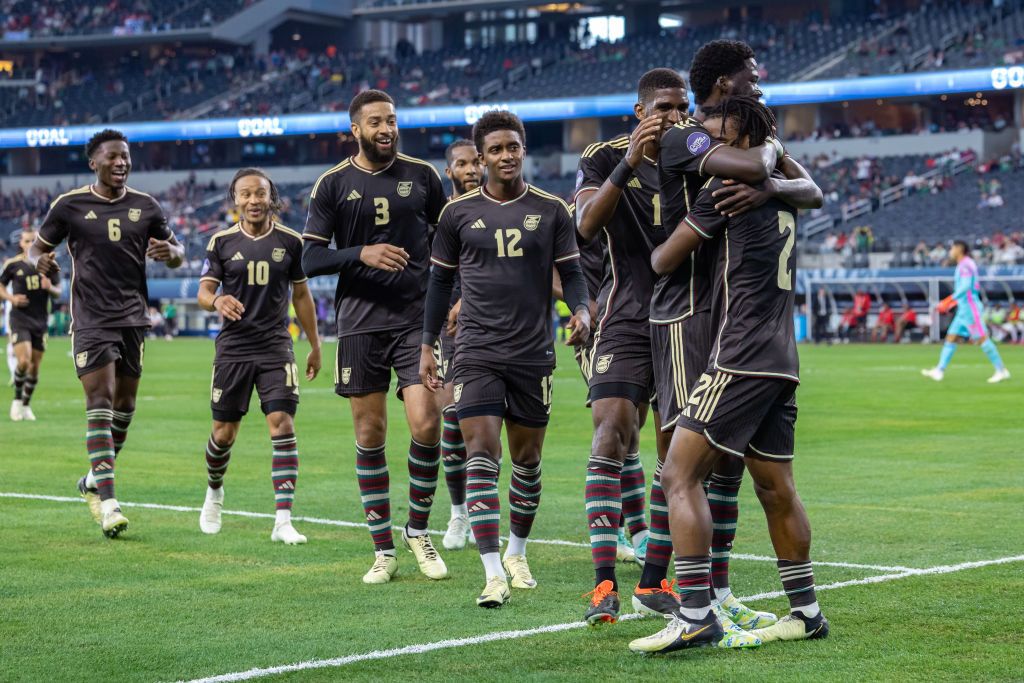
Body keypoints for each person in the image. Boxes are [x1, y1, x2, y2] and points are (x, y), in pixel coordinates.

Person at [632, 96, 829, 654]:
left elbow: (662, 260)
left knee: (677, 475)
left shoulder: (728, 191)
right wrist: (773, 173)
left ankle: (694, 613)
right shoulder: (783, 192)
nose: (702, 131)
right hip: (782, 360)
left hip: (739, 356)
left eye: (714, 123)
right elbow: (811, 190)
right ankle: (806, 612)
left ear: (741, 133)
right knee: (775, 487)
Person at [419, 111, 592, 608]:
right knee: (481, 452)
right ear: (481, 157)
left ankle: (518, 550)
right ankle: (492, 571)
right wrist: (427, 343)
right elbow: (436, 285)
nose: (506, 156)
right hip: (475, 351)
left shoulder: (552, 209)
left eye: (512, 147)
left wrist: (579, 308)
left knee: (528, 460)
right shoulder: (456, 215)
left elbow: (573, 273)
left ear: (523, 149)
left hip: (533, 352)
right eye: (495, 150)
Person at [301, 89, 449, 583]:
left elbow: (451, 241)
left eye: (391, 120)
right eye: (375, 122)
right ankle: (383, 549)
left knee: (427, 424)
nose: (386, 129)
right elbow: (309, 259)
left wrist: (455, 298)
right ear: (355, 131)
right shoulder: (333, 185)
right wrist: (359, 253)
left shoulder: (423, 176)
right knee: (370, 434)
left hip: (416, 321)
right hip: (361, 323)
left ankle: (418, 531)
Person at [574, 68, 689, 624]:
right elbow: (586, 227)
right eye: (664, 107)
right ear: (639, 111)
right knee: (610, 437)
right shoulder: (602, 155)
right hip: (624, 318)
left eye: (682, 107)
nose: (675, 116)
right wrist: (631, 164)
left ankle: (652, 579)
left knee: (675, 458)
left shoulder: (697, 154)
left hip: (684, 324)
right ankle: (602, 586)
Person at [29, 128, 185, 538]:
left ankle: (92, 481)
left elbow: (179, 253)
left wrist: (172, 254)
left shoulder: (146, 206)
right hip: (91, 318)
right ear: (93, 163)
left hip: (134, 317)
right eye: (113, 157)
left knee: (125, 408)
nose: (121, 163)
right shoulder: (69, 206)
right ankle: (110, 502)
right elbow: (36, 248)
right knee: (99, 400)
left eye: (126, 157)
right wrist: (40, 262)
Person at [196, 168, 321, 544]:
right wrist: (217, 299)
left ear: (272, 197)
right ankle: (215, 490)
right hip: (233, 349)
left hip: (275, 346)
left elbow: (301, 296)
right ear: (235, 199)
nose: (254, 200)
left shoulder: (291, 241)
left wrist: (315, 344)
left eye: (260, 194)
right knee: (223, 434)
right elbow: (203, 292)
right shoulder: (220, 242)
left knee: (282, 422)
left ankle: (283, 520)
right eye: (246, 194)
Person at [437, 139, 483, 551]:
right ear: (449, 172)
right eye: (462, 164)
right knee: (451, 422)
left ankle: (487, 511)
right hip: (451, 335)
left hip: (498, 328)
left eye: (475, 162)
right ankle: (458, 515)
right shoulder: (439, 218)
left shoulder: (500, 210)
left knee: (492, 431)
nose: (470, 169)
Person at [922, 241, 1010, 383]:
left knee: (982, 338)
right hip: (964, 308)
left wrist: (948, 300)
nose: (950, 251)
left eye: (952, 248)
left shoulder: (965, 265)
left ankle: (1001, 370)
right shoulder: (964, 264)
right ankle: (939, 370)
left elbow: (965, 287)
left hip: (970, 309)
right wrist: (951, 303)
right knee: (951, 337)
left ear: (959, 249)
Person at [1, 229, 60, 421]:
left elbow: (59, 291)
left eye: (34, 240)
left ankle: (26, 404)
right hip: (19, 319)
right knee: (24, 361)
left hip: (40, 320)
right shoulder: (13, 264)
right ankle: (17, 402)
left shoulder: (48, 264)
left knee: (35, 368)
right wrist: (11, 298)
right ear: (21, 243)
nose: (30, 244)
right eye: (27, 241)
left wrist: (49, 287)